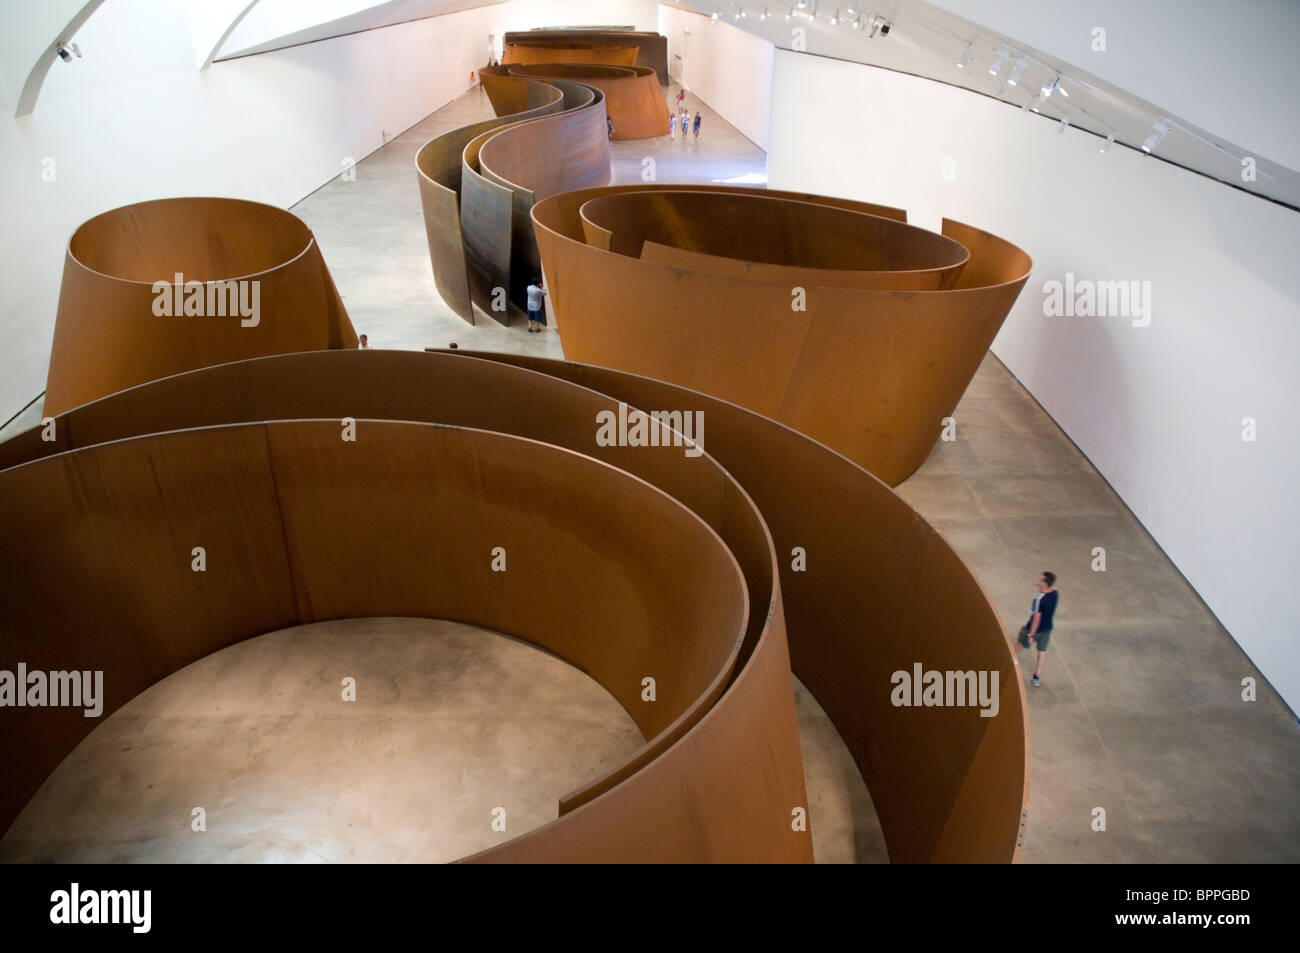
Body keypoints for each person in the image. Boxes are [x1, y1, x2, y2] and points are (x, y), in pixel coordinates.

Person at [1018, 571, 1059, 686]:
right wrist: (1041, 587)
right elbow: (1053, 589)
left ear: (1045, 584)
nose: (1038, 580)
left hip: (1034, 629)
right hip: (1047, 629)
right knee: (1042, 653)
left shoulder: (1039, 599)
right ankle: (1036, 677)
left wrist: (1031, 635)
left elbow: (1036, 618)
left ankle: (1009, 658)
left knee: (1020, 645)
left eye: (1040, 580)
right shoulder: (1056, 593)